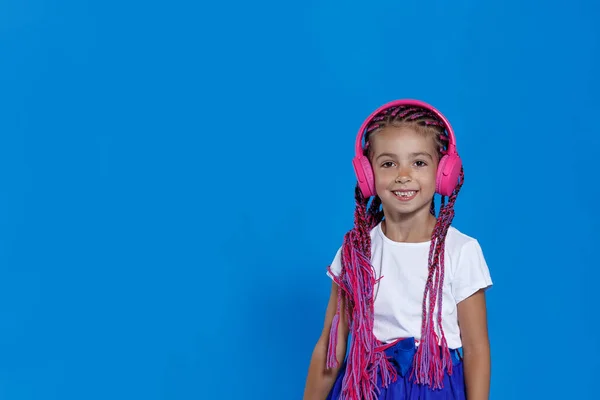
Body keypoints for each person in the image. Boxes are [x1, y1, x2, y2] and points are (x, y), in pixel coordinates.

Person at [303, 99, 493, 400]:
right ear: (367, 175)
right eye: (388, 163)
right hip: (368, 389)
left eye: (419, 162)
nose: (403, 175)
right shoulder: (355, 253)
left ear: (444, 172)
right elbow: (331, 345)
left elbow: (477, 349)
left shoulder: (461, 250)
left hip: (436, 390)